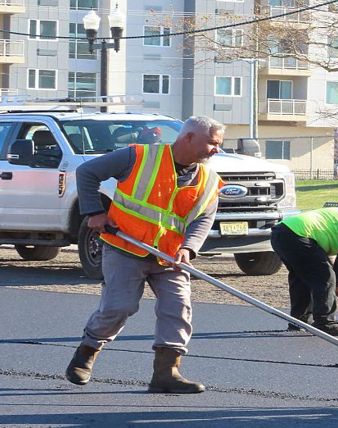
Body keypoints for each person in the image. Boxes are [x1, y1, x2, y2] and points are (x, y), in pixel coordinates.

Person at [65, 116, 225, 394]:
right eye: (212, 143)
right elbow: (87, 172)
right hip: (124, 248)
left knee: (178, 308)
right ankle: (87, 353)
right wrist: (95, 211)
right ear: (188, 137)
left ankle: (167, 372)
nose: (216, 150)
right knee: (119, 307)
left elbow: (203, 219)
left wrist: (189, 248)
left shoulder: (209, 181)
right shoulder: (137, 156)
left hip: (169, 256)